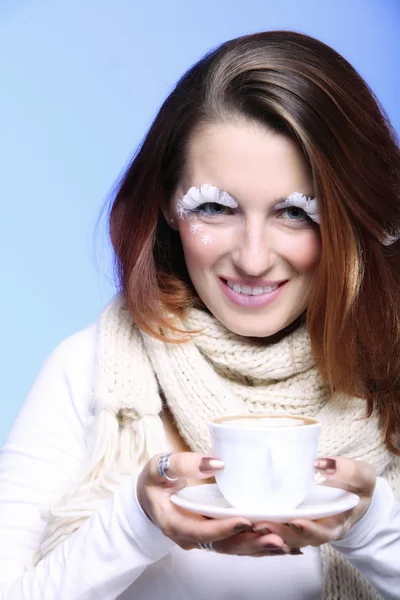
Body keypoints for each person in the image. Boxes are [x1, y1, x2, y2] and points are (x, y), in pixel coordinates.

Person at [0, 30, 399, 600]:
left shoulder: (392, 375)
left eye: (295, 212)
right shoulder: (85, 371)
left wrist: (371, 526)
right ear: (167, 204)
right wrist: (135, 524)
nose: (254, 258)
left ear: (352, 214)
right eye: (214, 207)